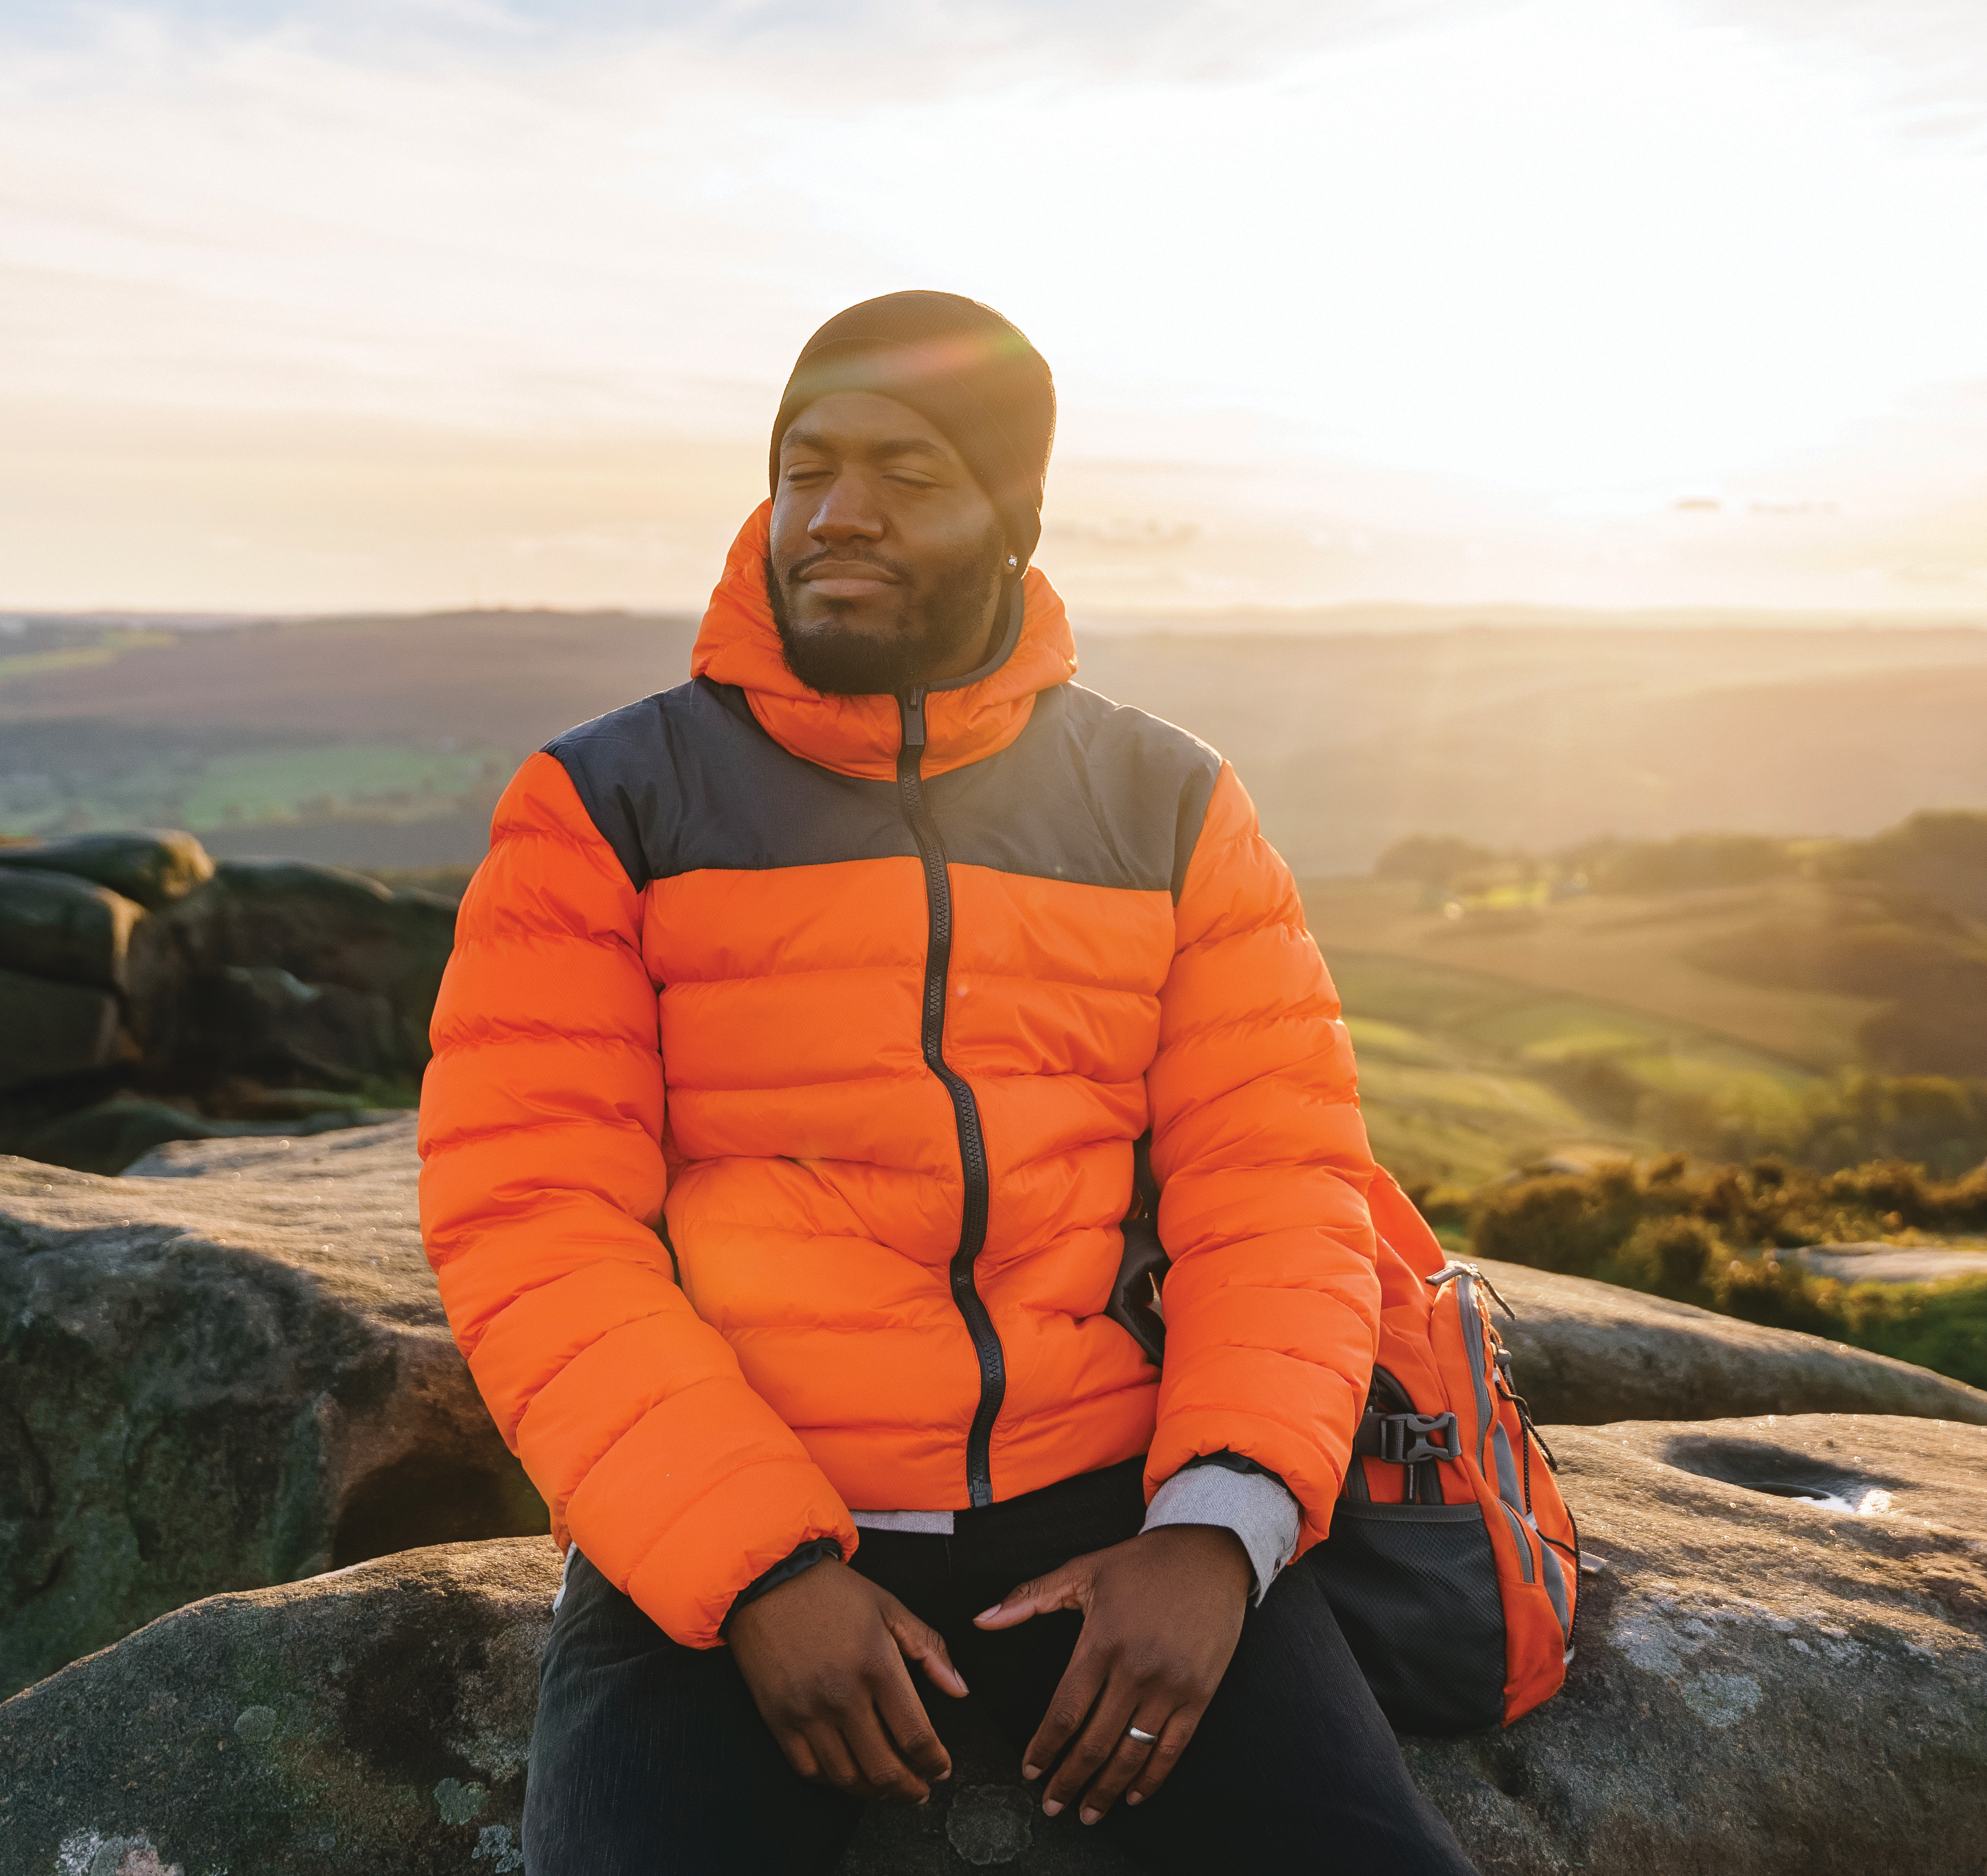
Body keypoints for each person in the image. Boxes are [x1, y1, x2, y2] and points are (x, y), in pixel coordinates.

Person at [417, 292, 1480, 1874]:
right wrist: (756, 1571)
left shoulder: (1167, 803)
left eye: (906, 476)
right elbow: (532, 1218)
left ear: (1013, 516)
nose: (837, 516)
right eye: (805, 468)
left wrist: (1219, 1530)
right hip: (735, 1527)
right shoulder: (604, 804)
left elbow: (1278, 1183)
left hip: (1115, 1509)